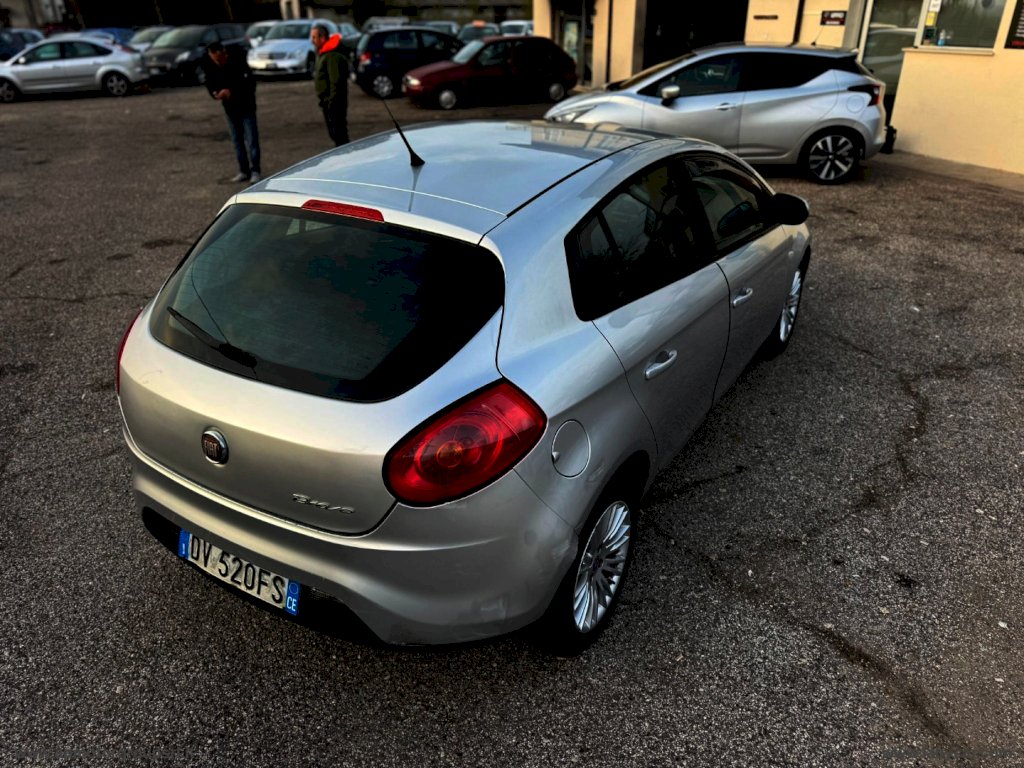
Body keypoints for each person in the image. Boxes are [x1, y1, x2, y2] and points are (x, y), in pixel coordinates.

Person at [202, 41, 261, 182]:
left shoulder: (238, 62)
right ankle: (243, 170)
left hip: (246, 107)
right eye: (214, 59)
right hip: (230, 109)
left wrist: (231, 92)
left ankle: (255, 170)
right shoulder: (211, 66)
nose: (217, 61)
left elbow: (249, 84)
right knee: (237, 141)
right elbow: (209, 83)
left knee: (252, 140)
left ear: (223, 53)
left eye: (219, 58)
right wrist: (215, 93)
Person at [311, 23, 349, 146]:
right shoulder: (323, 53)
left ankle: (345, 155)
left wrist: (332, 103)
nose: (312, 41)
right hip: (327, 102)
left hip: (334, 103)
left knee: (339, 135)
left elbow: (335, 82)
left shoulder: (332, 55)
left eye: (314, 37)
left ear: (322, 38)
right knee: (335, 134)